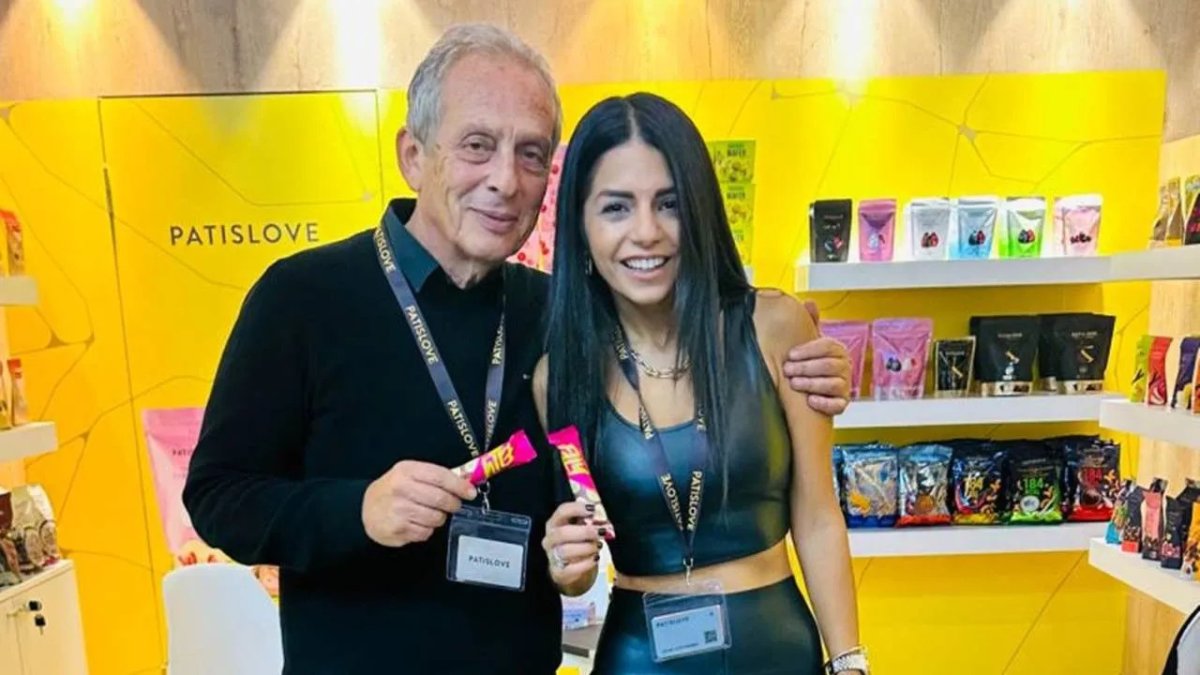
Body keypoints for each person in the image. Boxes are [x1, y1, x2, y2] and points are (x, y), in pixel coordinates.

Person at [184, 24, 852, 675]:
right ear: (413, 155)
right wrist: (356, 510)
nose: (505, 179)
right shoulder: (304, 298)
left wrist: (805, 358)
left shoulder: (560, 315)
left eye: (531, 154)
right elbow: (218, 494)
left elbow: (680, 345)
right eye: (478, 145)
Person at [535, 93, 866, 675]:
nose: (646, 232)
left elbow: (818, 517)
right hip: (639, 659)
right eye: (616, 208)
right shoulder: (558, 379)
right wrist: (567, 567)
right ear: (580, 226)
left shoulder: (773, 327)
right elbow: (582, 555)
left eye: (669, 203)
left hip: (776, 652)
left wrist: (849, 662)